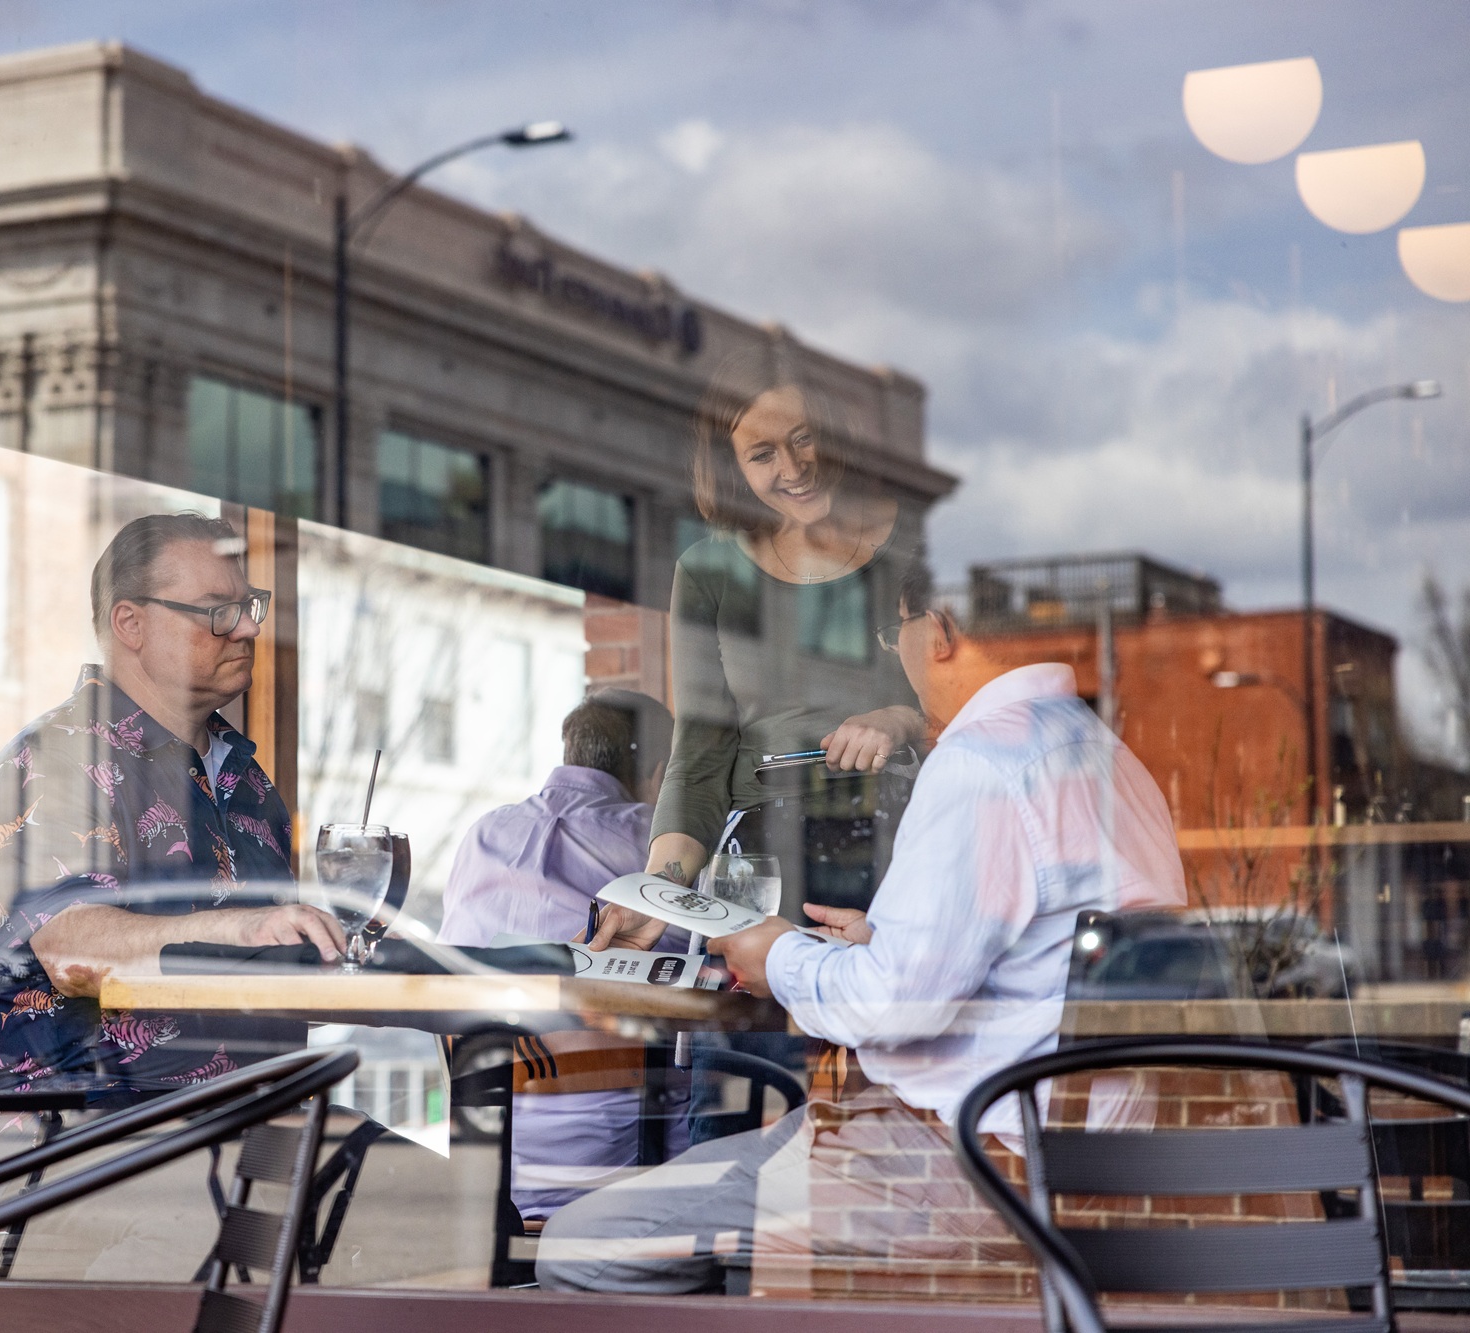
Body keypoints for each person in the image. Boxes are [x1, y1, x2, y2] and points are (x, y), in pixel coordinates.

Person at [545, 566, 1187, 1293]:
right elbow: (1014, 964)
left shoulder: (983, 763)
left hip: (950, 1164)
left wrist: (777, 953)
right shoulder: (1112, 761)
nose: (898, 655)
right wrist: (873, 943)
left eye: (897, 633)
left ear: (937, 630)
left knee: (582, 1242)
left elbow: (891, 1005)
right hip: (1063, 1160)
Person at [0, 511, 345, 1101]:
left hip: (248, 1120)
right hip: (90, 1139)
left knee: (460, 1190)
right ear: (131, 623)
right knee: (442, 1192)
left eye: (249, 608)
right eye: (217, 611)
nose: (246, 630)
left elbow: (275, 976)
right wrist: (249, 928)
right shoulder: (53, 762)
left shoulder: (247, 779)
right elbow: (73, 947)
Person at [650, 353, 928, 916]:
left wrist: (899, 719)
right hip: (760, 870)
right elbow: (698, 762)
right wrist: (656, 895)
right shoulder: (706, 572)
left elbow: (980, 712)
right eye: (761, 455)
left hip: (901, 844)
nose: (795, 468)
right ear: (734, 470)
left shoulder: (915, 551)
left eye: (804, 439)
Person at [439, 690, 682, 1220]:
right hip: (626, 1175)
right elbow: (718, 970)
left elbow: (448, 978)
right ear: (660, 772)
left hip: (490, 1181)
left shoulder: (483, 835)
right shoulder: (655, 846)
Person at [438, 690, 673, 948]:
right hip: (596, 987)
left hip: (460, 985)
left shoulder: (483, 830)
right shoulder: (657, 839)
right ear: (662, 774)